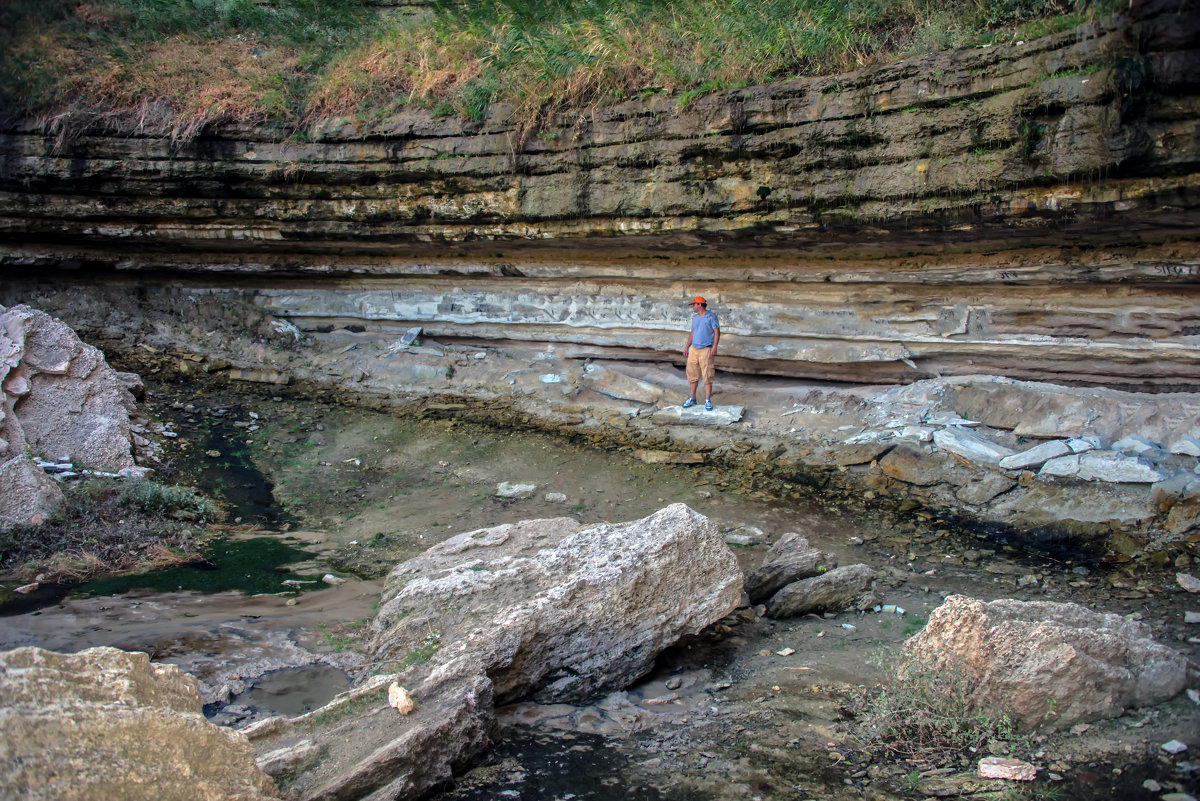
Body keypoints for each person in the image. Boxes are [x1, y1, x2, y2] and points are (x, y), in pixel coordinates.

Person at [682, 296, 719, 411]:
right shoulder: (695, 318)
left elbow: (717, 332)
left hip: (706, 349)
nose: (693, 307)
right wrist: (687, 347)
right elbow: (692, 333)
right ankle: (692, 398)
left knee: (707, 374)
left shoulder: (711, 317)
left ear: (700, 305)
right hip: (694, 349)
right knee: (692, 374)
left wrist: (714, 347)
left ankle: (707, 400)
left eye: (694, 304)